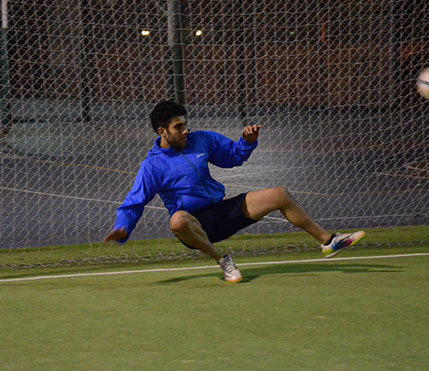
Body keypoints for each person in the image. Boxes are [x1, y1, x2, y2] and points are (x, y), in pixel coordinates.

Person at [104, 100, 365, 282]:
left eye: (185, 124)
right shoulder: (152, 165)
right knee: (177, 220)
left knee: (279, 194)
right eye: (178, 127)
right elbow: (134, 202)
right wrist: (123, 227)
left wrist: (247, 143)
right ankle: (223, 261)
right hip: (195, 225)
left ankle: (328, 241)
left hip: (222, 212)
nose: (186, 130)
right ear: (162, 131)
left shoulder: (201, 139)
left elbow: (231, 156)